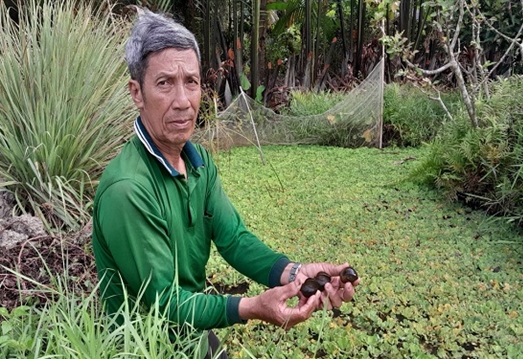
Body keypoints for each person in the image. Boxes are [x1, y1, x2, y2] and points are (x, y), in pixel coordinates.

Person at [91, 9, 359, 359]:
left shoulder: (198, 162)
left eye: (191, 81)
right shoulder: (127, 189)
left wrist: (294, 273)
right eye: (164, 83)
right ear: (136, 93)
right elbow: (163, 303)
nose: (183, 101)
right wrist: (249, 307)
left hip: (192, 331)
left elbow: (234, 239)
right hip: (143, 345)